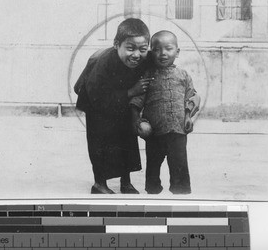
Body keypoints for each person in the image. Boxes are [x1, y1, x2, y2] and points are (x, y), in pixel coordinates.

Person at [74, 18, 154, 194]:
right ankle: (99, 184)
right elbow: (96, 95)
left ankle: (126, 182)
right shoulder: (104, 62)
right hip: (96, 105)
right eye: (130, 48)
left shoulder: (144, 59)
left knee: (127, 141)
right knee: (100, 144)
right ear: (117, 44)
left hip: (121, 104)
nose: (136, 55)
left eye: (142, 49)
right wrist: (130, 92)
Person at [130, 30, 199, 195]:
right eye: (157, 49)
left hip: (178, 130)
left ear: (177, 51)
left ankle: (181, 193)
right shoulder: (148, 75)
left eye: (168, 48)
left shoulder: (183, 75)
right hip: (154, 131)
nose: (163, 53)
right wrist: (137, 121)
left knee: (179, 164)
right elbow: (136, 101)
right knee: (153, 165)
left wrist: (188, 116)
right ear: (151, 52)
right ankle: (153, 193)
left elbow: (192, 96)